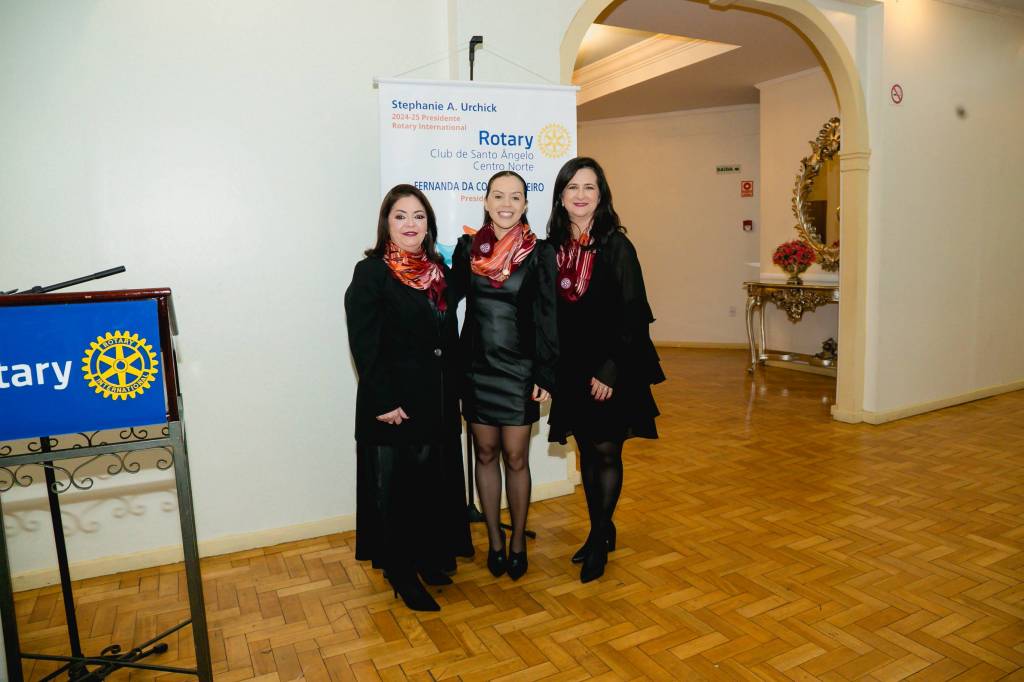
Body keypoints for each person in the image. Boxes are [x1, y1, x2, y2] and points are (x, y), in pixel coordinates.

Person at [345, 184, 473, 611]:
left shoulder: (437, 271)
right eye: (400, 216)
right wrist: (383, 400)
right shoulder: (372, 272)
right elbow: (364, 342)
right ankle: (401, 572)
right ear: (386, 223)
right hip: (395, 403)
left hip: (436, 401)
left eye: (419, 216)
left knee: (430, 488)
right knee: (398, 492)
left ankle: (428, 559)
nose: (410, 224)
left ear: (429, 224)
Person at [546, 157, 665, 583]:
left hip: (614, 365)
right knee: (585, 451)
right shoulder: (553, 248)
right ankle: (602, 527)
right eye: (572, 187)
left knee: (606, 451)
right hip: (572, 368)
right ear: (561, 196)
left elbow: (633, 313)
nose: (580, 195)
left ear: (601, 195)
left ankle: (599, 539)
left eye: (589, 187)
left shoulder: (617, 246)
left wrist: (610, 369)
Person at [451, 170, 558, 581]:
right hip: (477, 368)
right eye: (498, 195)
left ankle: (517, 545)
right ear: (486, 201)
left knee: (515, 457)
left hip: (519, 370)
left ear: (526, 204)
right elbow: (446, 300)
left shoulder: (540, 253)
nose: (507, 204)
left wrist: (545, 372)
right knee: (484, 453)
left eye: (515, 197)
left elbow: (547, 316)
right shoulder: (468, 249)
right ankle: (495, 541)